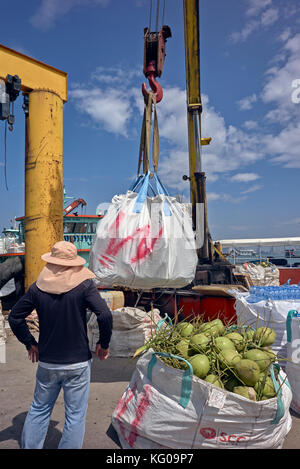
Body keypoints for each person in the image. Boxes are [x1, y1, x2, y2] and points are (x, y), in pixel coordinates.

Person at [8, 241, 113, 449]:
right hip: (78, 363)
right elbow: (105, 314)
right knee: (75, 416)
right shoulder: (84, 286)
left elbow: (15, 318)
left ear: (52, 261)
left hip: (48, 362)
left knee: (39, 409)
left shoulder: (37, 288)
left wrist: (30, 344)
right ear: (74, 263)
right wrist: (104, 343)